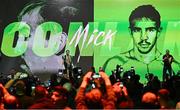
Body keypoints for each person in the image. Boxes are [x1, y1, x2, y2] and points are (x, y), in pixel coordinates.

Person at [103, 5, 180, 83]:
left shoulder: (174, 66)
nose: (143, 37)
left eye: (150, 30)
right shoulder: (114, 63)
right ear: (130, 32)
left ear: (159, 32)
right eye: (137, 30)